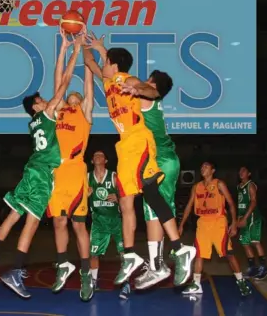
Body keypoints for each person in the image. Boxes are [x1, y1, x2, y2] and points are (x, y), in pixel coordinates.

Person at [83, 32, 195, 287]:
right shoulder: (114, 84)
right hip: (131, 149)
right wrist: (93, 47)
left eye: (147, 81)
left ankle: (174, 252)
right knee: (139, 203)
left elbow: (144, 88)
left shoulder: (138, 90)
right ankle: (147, 259)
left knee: (152, 200)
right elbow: (103, 68)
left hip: (151, 151)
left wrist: (138, 86)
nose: (143, 81)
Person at [0, 32, 83, 299]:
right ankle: (15, 271)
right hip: (41, 174)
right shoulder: (47, 114)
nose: (48, 99)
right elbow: (65, 81)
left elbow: (57, 80)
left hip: (30, 169)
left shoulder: (32, 123)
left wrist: (62, 47)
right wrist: (75, 50)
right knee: (33, 222)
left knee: (14, 215)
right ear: (37, 105)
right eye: (43, 99)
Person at [121, 70, 180, 289]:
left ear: (152, 83)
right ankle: (158, 263)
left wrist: (138, 88)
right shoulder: (148, 100)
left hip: (162, 161)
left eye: (147, 80)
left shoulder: (147, 97)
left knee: (152, 210)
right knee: (154, 208)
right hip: (163, 161)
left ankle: (159, 265)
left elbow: (150, 91)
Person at [48, 28, 95, 302]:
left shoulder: (85, 113)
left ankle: (86, 273)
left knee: (79, 225)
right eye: (71, 96)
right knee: (58, 222)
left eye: (77, 97)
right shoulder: (59, 109)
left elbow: (87, 82)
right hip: (58, 171)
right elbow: (59, 80)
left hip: (76, 171)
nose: (73, 98)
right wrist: (66, 47)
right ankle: (63, 264)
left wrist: (85, 49)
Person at [179, 162, 252, 296]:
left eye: (206, 167)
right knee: (199, 253)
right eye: (201, 167)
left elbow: (230, 203)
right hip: (202, 223)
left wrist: (234, 223)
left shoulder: (219, 184)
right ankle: (196, 284)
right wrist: (181, 224)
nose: (202, 168)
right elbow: (189, 206)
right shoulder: (197, 187)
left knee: (228, 253)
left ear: (212, 170)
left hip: (218, 222)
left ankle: (241, 281)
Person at [87, 151, 130, 299]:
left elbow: (129, 194)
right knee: (93, 254)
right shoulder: (86, 178)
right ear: (92, 161)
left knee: (124, 254)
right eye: (95, 155)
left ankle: (126, 284)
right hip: (98, 221)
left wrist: (119, 198)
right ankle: (93, 282)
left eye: (101, 155)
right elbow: (76, 197)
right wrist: (83, 195)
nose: (97, 157)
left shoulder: (113, 176)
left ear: (105, 160)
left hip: (116, 220)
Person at [237, 166, 267, 279]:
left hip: (253, 217)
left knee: (255, 242)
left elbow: (253, 202)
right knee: (244, 243)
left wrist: (245, 217)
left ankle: (264, 268)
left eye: (244, 171)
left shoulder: (250, 185)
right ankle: (253, 268)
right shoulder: (239, 187)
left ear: (249, 173)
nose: (241, 172)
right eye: (240, 170)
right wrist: (238, 219)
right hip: (243, 217)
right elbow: (240, 205)